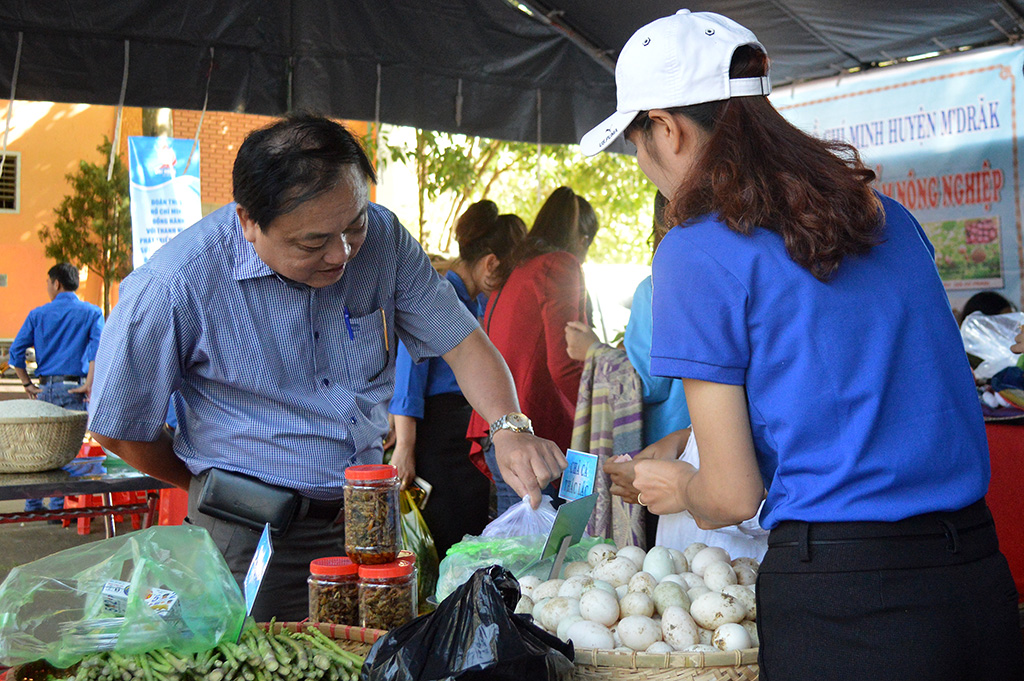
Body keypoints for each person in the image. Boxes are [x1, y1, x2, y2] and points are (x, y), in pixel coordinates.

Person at [580, 9, 1022, 680]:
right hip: (978, 585)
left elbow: (730, 495)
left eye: (637, 146)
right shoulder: (886, 217)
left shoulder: (694, 250)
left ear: (665, 128)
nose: (645, 166)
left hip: (851, 609)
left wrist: (684, 485)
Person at [87, 113, 566, 621]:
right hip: (247, 532)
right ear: (249, 221)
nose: (341, 254)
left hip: (369, 523)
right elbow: (120, 428)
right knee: (261, 665)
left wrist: (510, 427)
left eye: (353, 225)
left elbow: (463, 341)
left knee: (370, 658)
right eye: (312, 243)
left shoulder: (381, 240)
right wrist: (205, 486)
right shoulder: (173, 285)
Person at [389, 200, 527, 557]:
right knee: (444, 534)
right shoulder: (438, 296)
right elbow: (409, 373)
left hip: (469, 431)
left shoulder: (477, 303)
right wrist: (405, 446)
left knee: (471, 529)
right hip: (436, 434)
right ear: (491, 263)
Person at [466, 186, 599, 515]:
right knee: (554, 551)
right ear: (581, 240)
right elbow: (565, 364)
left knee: (522, 550)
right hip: (537, 435)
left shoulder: (516, 268)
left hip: (499, 429)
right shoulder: (560, 265)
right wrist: (605, 410)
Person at [10, 262, 104, 513]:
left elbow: (16, 352)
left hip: (45, 390)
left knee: (37, 449)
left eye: (48, 283)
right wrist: (88, 384)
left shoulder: (38, 314)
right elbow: (98, 351)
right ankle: (59, 508)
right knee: (67, 453)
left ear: (57, 283)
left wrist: (27, 384)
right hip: (75, 389)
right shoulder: (92, 313)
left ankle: (32, 505)